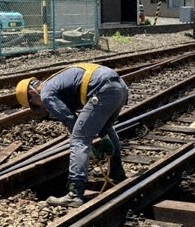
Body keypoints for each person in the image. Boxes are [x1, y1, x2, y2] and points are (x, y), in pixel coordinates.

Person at [16, 63, 128, 208]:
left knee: (78, 140)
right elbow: (94, 120)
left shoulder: (46, 94)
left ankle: (74, 194)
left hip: (103, 90)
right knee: (105, 125)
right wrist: (104, 137)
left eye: (35, 106)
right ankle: (117, 173)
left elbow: (69, 119)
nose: (40, 107)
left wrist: (89, 147)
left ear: (32, 93)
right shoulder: (55, 82)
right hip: (120, 87)